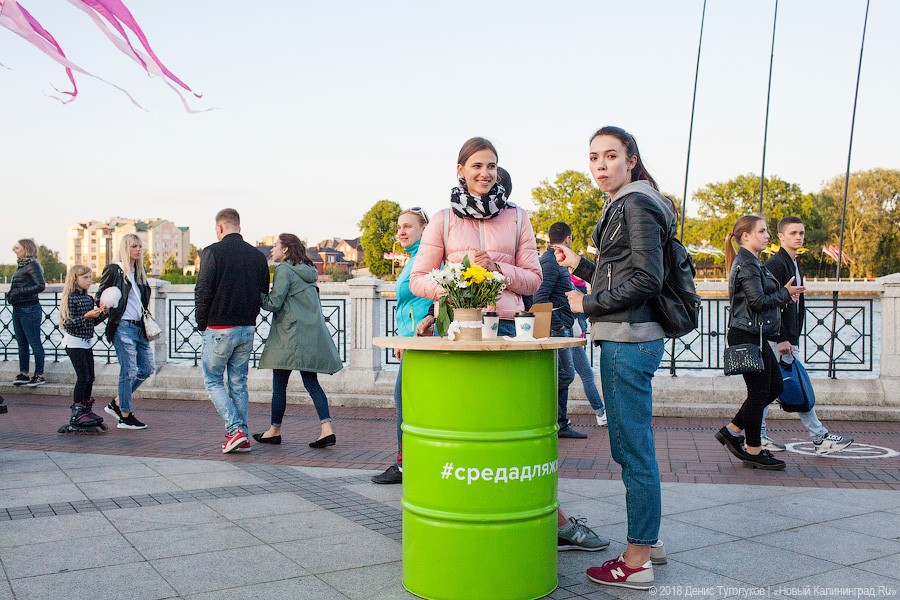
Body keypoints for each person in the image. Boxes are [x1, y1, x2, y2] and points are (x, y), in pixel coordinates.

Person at [410, 139, 609, 554]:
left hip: (507, 330)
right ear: (460, 169)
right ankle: (469, 520)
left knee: (516, 429)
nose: (486, 173)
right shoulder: (443, 220)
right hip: (460, 333)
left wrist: (496, 269)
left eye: (493, 167)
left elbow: (534, 280)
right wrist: (463, 275)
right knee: (467, 430)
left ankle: (547, 517)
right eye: (478, 166)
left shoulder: (518, 217)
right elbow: (419, 280)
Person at [554, 126, 674, 590]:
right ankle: (650, 541)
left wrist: (590, 303)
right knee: (635, 445)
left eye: (610, 156)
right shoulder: (629, 202)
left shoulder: (635, 204)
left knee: (631, 449)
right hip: (631, 337)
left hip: (629, 339)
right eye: (593, 158)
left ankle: (637, 559)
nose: (601, 165)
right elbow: (625, 268)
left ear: (631, 159)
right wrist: (582, 267)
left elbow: (647, 278)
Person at [715, 215, 804, 471]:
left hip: (758, 334)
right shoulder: (747, 264)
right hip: (747, 335)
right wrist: (784, 294)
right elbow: (757, 302)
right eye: (762, 231)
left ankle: (732, 430)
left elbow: (763, 298)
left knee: (774, 386)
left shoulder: (754, 262)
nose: (767, 236)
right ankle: (753, 449)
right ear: (746, 236)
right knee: (757, 394)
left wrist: (784, 295)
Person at [760, 216, 852, 455]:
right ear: (781, 236)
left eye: (801, 233)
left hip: (788, 338)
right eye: (793, 233)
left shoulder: (793, 262)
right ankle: (819, 437)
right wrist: (782, 338)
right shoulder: (776, 264)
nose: (799, 237)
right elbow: (771, 303)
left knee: (768, 389)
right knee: (795, 386)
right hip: (779, 340)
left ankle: (754, 435)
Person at [254, 234, 343, 448]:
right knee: (311, 383)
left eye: (275, 246)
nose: (272, 250)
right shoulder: (308, 270)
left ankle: (274, 430)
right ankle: (326, 429)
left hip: (288, 335)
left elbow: (274, 303)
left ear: (285, 250)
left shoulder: (284, 269)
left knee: (279, 385)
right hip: (308, 335)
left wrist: (256, 294)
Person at [195, 209, 270, 453]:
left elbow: (203, 290)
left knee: (213, 379)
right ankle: (243, 436)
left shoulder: (212, 252)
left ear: (220, 228)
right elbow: (263, 291)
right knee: (239, 382)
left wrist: (201, 322)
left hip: (220, 326)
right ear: (239, 225)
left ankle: (235, 428)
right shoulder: (257, 256)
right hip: (247, 327)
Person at [372, 208, 434, 484]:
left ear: (424, 229)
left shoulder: (427, 257)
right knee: (410, 402)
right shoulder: (414, 258)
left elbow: (437, 295)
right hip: (411, 340)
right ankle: (413, 460)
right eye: (399, 227)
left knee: (406, 402)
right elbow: (408, 305)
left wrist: (427, 323)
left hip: (423, 341)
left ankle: (406, 464)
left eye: (408, 226)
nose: (401, 232)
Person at [534, 221, 587, 439]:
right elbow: (539, 298)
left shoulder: (555, 261)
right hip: (555, 329)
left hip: (561, 326)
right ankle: (555, 422)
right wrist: (560, 323)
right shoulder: (549, 262)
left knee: (564, 375)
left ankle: (558, 422)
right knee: (565, 374)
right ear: (567, 239)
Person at [98, 234, 153, 430]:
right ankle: (125, 415)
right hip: (122, 326)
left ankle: (117, 402)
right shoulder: (114, 270)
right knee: (128, 370)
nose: (138, 250)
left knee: (146, 369)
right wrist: (103, 307)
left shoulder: (139, 272)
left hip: (140, 327)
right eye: (134, 246)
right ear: (125, 248)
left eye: (140, 246)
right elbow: (101, 295)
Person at [59, 264, 106, 432]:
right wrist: (87, 315)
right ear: (75, 279)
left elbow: (91, 322)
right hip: (73, 342)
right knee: (83, 376)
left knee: (91, 376)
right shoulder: (70, 298)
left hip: (86, 341)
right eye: (85, 278)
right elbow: (68, 323)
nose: (89, 281)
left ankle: (86, 409)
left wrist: (103, 313)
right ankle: (77, 412)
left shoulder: (87, 298)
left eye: (90, 277)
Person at [570, 254, 607, 427]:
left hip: (576, 330)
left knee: (568, 376)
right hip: (572, 331)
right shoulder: (570, 282)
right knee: (585, 374)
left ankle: (560, 418)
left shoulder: (578, 283)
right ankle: (600, 412)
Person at [9, 239, 46, 387]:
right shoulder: (22, 266)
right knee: (21, 343)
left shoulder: (32, 265)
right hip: (19, 308)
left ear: (26, 248)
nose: (15, 250)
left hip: (29, 309)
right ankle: (24, 373)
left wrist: (18, 292)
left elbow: (40, 286)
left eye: (17, 248)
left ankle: (39, 374)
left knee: (34, 342)